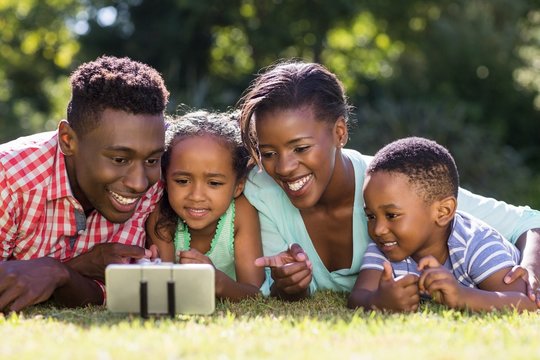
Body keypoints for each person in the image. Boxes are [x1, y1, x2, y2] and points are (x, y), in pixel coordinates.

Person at [238, 60, 540, 304]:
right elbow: (270, 290)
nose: (285, 167)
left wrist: (530, 271)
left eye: (301, 148)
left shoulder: (397, 184)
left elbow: (528, 221)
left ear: (339, 133)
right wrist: (288, 286)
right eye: (269, 153)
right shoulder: (262, 189)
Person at [0, 55, 169, 312]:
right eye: (120, 159)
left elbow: (112, 291)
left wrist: (61, 273)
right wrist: (69, 268)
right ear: (68, 140)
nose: (138, 183)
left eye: (152, 159)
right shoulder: (10, 177)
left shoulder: (149, 185)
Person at [347, 137, 536, 312]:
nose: (378, 229)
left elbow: (526, 302)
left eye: (392, 215)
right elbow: (358, 295)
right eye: (371, 216)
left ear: (443, 212)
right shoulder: (385, 246)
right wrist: (379, 301)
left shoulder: (476, 243)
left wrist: (461, 296)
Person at [146, 110, 264, 301]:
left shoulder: (240, 214)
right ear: (165, 180)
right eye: (182, 181)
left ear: (238, 186)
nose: (197, 196)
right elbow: (162, 290)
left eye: (214, 183)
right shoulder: (161, 217)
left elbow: (254, 292)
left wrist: (217, 282)